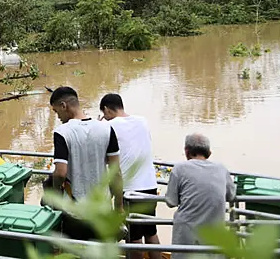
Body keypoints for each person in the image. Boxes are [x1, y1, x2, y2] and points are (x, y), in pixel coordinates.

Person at [50, 86, 124, 240]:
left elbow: (60, 173)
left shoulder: (62, 132)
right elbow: (116, 171)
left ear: (64, 106)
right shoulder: (106, 129)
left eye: (57, 112)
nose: (58, 117)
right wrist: (119, 207)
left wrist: (56, 197)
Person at [99, 93, 161, 259]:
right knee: (151, 233)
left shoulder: (109, 127)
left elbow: (105, 158)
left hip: (130, 190)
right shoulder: (142, 121)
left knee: (133, 238)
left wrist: (99, 127)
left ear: (106, 110)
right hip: (150, 186)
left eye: (104, 115)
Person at [165, 133, 236, 254]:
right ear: (209, 152)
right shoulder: (221, 168)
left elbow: (171, 201)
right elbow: (231, 195)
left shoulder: (179, 168)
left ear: (187, 151)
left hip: (187, 235)